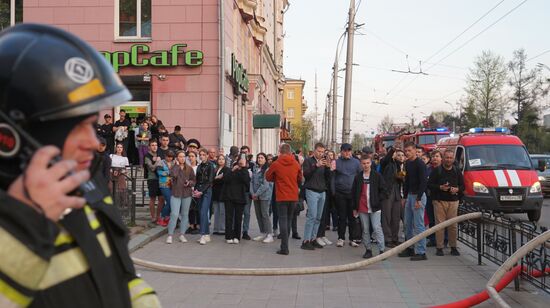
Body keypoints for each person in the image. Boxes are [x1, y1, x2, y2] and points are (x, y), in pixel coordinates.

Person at [0, 23, 159, 307]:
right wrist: (24, 226)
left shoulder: (86, 181)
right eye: (76, 128)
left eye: (94, 124)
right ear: (12, 137)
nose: (93, 141)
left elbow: (119, 277)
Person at [266, 144, 302, 255]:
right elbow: (300, 179)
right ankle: (285, 246)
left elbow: (268, 177)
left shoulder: (276, 164)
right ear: (290, 152)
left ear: (280, 152)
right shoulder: (296, 164)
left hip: (281, 196)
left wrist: (276, 179)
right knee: (289, 219)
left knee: (282, 220)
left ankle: (284, 247)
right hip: (293, 196)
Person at [428, 150, 464, 256]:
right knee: (439, 225)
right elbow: (429, 185)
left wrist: (457, 189)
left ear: (453, 159)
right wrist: (440, 187)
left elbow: (463, 186)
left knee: (453, 225)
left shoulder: (457, 171)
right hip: (439, 201)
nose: (448, 160)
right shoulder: (437, 171)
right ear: (443, 159)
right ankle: (439, 247)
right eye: (446, 157)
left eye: (450, 158)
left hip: (453, 201)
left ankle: (453, 247)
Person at [352, 155, 388, 259]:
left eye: (368, 163)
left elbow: (384, 191)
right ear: (361, 164)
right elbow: (354, 193)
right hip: (362, 207)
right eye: (364, 163)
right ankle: (368, 250)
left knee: (377, 227)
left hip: (375, 207)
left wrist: (377, 200)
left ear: (371, 163)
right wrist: (354, 207)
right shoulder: (358, 177)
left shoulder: (377, 176)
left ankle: (382, 250)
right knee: (365, 229)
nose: (366, 165)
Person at [398, 142, 428, 261]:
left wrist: (418, 198)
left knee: (419, 225)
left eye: (409, 150)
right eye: (406, 151)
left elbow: (423, 182)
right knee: (407, 224)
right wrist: (404, 197)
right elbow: (407, 181)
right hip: (409, 196)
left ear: (415, 150)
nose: (407, 153)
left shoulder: (420, 164)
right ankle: (409, 247)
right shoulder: (408, 163)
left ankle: (421, 251)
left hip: (418, 197)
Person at [301, 143, 330, 250]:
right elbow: (306, 175)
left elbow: (328, 178)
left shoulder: (324, 161)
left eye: (322, 152)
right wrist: (316, 166)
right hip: (312, 191)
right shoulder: (308, 161)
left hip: (322, 191)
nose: (320, 153)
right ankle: (306, 240)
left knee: (318, 218)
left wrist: (327, 168)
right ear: (314, 151)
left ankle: (313, 239)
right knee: (312, 217)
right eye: (319, 151)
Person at [333, 143, 362, 247]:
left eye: (349, 150)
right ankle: (341, 238)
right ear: (341, 151)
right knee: (342, 217)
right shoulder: (336, 162)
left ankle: (352, 238)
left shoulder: (356, 162)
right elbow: (332, 177)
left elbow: (360, 177)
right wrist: (334, 191)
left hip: (352, 194)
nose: (347, 152)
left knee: (352, 217)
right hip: (340, 193)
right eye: (345, 150)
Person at [166, 151, 196, 244]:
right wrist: (177, 166)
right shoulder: (173, 167)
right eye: (180, 156)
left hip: (186, 193)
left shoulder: (189, 168)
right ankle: (170, 235)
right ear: (177, 158)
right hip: (176, 193)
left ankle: (182, 235)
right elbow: (173, 175)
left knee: (185, 214)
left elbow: (194, 180)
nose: (182, 158)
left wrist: (189, 183)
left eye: (183, 156)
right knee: (174, 214)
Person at [222, 154, 251, 244]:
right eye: (240, 160)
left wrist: (243, 168)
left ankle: (237, 236)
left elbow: (246, 182)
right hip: (229, 196)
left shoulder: (246, 171)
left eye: (243, 160)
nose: (241, 161)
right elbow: (225, 179)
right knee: (229, 217)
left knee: (238, 218)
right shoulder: (231, 169)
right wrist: (232, 170)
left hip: (240, 197)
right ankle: (228, 236)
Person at [380, 147, 405, 247]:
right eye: (398, 155)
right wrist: (393, 150)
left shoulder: (404, 166)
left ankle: (395, 238)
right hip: (388, 192)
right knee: (387, 217)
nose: (400, 157)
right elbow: (385, 160)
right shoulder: (388, 163)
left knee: (396, 217)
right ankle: (387, 239)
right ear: (394, 156)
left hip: (398, 193)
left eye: (402, 155)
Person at [251, 153, 274, 243]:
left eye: (262, 158)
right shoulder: (255, 169)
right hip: (255, 196)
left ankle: (269, 234)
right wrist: (253, 193)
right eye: (258, 158)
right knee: (258, 214)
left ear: (265, 160)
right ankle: (263, 232)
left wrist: (256, 194)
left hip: (264, 196)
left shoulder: (267, 170)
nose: (260, 159)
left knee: (265, 215)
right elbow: (251, 181)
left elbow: (265, 185)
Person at [195, 148, 215, 245]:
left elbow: (210, 181)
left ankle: (202, 235)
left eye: (203, 154)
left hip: (207, 191)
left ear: (207, 155)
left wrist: (201, 192)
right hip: (198, 190)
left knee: (203, 212)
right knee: (200, 212)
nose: (201, 156)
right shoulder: (199, 166)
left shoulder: (211, 166)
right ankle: (207, 234)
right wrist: (195, 190)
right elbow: (197, 180)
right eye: (200, 155)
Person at [144, 140, 164, 225]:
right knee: (152, 198)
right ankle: (153, 217)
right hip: (152, 179)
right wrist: (157, 161)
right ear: (149, 147)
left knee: (162, 198)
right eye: (152, 145)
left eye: (156, 145)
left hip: (162, 178)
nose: (154, 147)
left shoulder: (160, 154)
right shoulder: (147, 156)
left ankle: (158, 216)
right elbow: (152, 168)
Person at [425, 150, 442, 247]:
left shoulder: (444, 169)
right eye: (433, 156)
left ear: (441, 158)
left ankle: (444, 239)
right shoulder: (428, 169)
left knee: (441, 221)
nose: (435, 158)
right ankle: (432, 239)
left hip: (441, 198)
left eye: (437, 156)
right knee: (431, 219)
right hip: (429, 197)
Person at [212, 154, 230, 235]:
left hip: (223, 193)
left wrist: (216, 179)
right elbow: (212, 180)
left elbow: (224, 180)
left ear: (225, 161)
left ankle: (222, 229)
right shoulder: (215, 169)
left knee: (222, 212)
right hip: (215, 192)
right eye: (219, 159)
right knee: (216, 212)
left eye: (223, 159)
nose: (221, 160)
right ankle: (216, 228)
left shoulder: (227, 169)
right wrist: (216, 178)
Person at [157, 150, 175, 227]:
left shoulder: (174, 162)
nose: (169, 158)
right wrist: (169, 172)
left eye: (171, 157)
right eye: (168, 156)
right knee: (170, 201)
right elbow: (159, 173)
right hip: (164, 184)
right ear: (165, 156)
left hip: (173, 184)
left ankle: (166, 217)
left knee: (171, 201)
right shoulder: (161, 162)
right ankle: (162, 217)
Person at [240, 145, 255, 240]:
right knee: (238, 212)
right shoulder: (238, 163)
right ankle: (236, 229)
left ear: (249, 152)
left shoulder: (253, 165)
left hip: (247, 191)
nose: (244, 154)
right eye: (242, 152)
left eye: (246, 152)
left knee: (247, 213)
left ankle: (245, 231)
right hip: (238, 191)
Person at [187, 150, 200, 233]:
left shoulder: (198, 167)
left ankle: (197, 226)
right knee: (190, 209)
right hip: (188, 190)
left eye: (192, 156)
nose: (191, 158)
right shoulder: (187, 167)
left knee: (197, 208)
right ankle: (191, 225)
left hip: (197, 190)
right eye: (189, 156)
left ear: (196, 157)